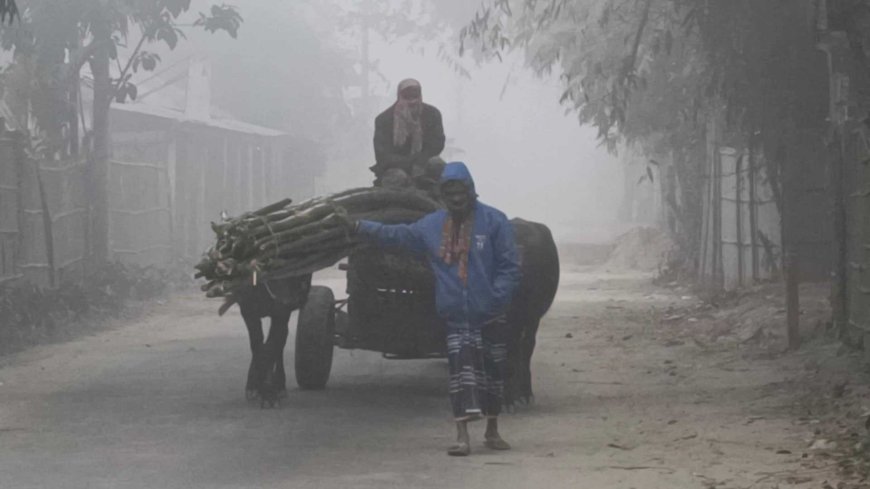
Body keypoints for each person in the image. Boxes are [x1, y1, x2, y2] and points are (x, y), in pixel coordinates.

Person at [345, 162, 521, 456]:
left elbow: (509, 267)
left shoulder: (494, 221)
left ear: (471, 191)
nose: (456, 198)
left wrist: (496, 297)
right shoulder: (432, 226)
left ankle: (492, 430)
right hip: (456, 315)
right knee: (460, 375)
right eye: (449, 192)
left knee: (493, 374)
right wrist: (361, 227)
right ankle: (462, 437)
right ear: (442, 194)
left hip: (489, 313)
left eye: (460, 191)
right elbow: (398, 235)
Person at [371, 78, 446, 189]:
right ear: (399, 97)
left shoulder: (432, 114)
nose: (412, 101)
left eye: (415, 97)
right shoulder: (384, 119)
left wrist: (421, 162)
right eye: (407, 97)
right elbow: (382, 155)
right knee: (397, 178)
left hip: (425, 162)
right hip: (393, 167)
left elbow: (437, 143)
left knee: (437, 164)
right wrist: (410, 164)